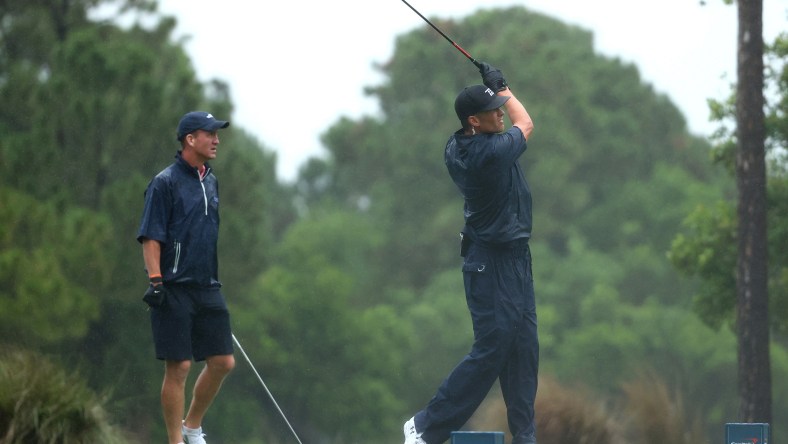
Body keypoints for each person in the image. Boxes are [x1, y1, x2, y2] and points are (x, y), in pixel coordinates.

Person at [403, 62, 538, 444]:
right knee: (493, 349)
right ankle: (426, 426)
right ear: (474, 122)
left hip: (513, 259)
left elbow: (507, 122)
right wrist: (505, 87)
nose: (501, 112)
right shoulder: (488, 153)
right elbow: (526, 124)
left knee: (524, 350)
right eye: (494, 110)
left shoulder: (460, 141)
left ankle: (525, 438)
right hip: (491, 263)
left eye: (500, 105)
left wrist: (492, 92)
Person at [137, 111, 235, 444]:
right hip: (173, 287)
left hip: (207, 286)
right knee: (178, 368)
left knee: (223, 361)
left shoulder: (211, 179)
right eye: (211, 134)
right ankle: (174, 440)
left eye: (217, 134)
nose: (217, 140)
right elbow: (151, 236)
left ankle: (192, 427)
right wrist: (155, 280)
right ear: (190, 139)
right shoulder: (164, 182)